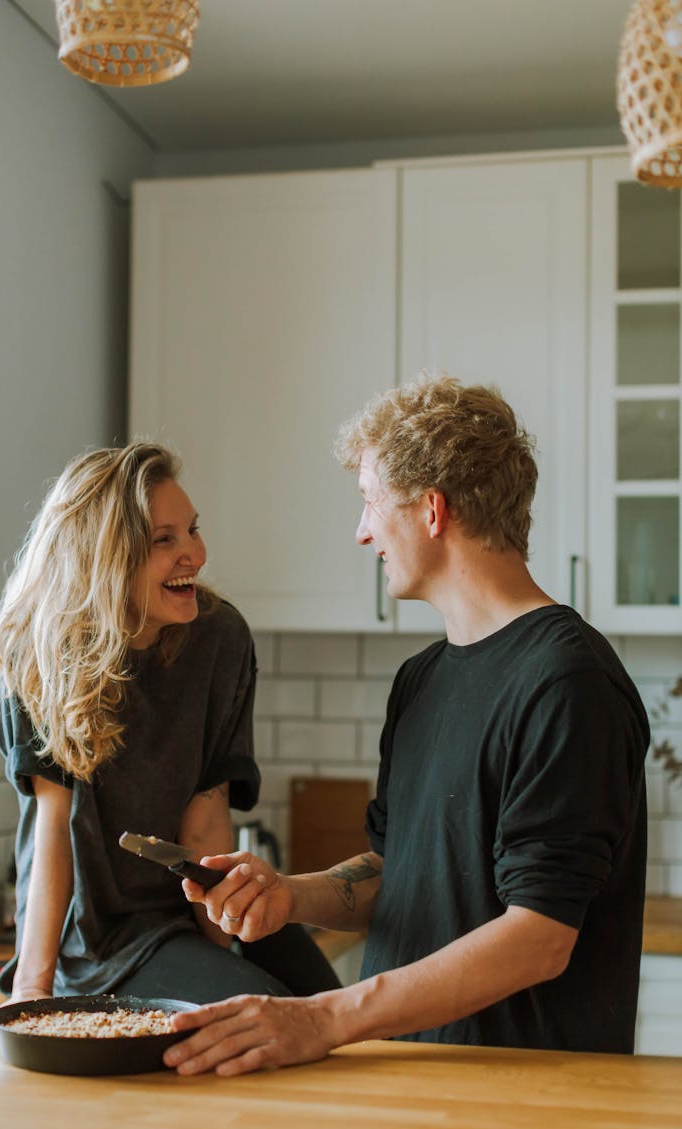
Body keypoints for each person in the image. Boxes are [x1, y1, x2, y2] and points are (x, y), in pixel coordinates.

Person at [164, 371, 649, 1076]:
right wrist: (289, 895)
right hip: (414, 1084)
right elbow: (402, 872)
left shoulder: (568, 682)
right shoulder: (421, 679)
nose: (362, 533)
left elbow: (540, 935)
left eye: (369, 503)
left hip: (528, 1108)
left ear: (431, 510)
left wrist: (324, 1017)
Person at [0, 442, 339, 1005]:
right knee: (265, 1009)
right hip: (99, 943)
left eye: (192, 530)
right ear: (105, 557)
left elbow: (206, 817)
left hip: (188, 908)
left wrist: (221, 956)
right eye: (164, 540)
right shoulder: (35, 654)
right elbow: (55, 826)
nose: (194, 552)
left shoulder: (220, 639)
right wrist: (31, 990)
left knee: (325, 1006)